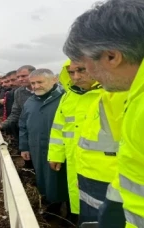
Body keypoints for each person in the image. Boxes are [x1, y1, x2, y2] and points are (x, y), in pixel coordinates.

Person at [62, 0, 144, 227]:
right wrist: (114, 203)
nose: (85, 74)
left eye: (85, 64)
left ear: (111, 56)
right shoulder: (135, 94)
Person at [48, 60, 103, 225]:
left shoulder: (110, 94)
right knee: (77, 195)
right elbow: (58, 128)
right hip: (73, 157)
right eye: (71, 73)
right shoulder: (68, 96)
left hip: (102, 163)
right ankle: (77, 217)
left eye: (82, 70)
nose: (76, 77)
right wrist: (56, 154)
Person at [18, 68, 68, 219]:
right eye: (33, 83)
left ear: (54, 80)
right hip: (37, 149)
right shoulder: (30, 101)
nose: (35, 86)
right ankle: (50, 205)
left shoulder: (65, 99)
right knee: (43, 179)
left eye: (40, 82)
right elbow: (23, 125)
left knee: (62, 180)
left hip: (61, 150)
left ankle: (68, 212)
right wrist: (24, 146)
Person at [0, 65, 36, 168]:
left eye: (24, 76)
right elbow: (15, 113)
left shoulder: (50, 92)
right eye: (19, 76)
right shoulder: (19, 92)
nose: (21, 79)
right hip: (26, 132)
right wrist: (2, 125)